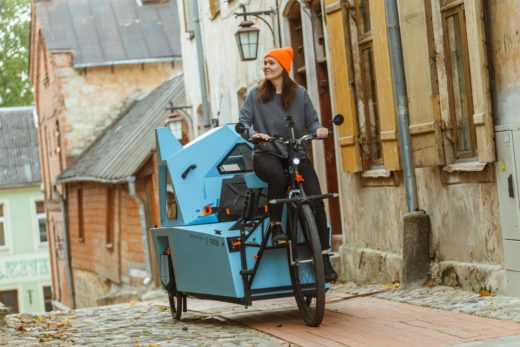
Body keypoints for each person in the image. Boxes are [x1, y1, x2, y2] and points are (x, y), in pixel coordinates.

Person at [238, 47, 338, 282]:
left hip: (295, 151)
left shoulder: (300, 94)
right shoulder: (255, 95)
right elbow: (243, 124)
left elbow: (312, 121)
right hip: (267, 153)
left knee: (316, 199)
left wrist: (319, 130)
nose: (266, 67)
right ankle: (276, 227)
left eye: (271, 63)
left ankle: (324, 258)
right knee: (278, 176)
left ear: (283, 67)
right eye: (265, 63)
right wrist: (253, 134)